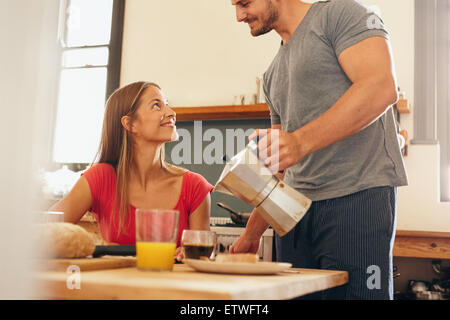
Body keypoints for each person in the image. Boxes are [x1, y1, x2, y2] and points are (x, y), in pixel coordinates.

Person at [229, 0, 408, 300]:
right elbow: (280, 166)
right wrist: (252, 233)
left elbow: (381, 86)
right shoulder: (272, 76)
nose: (238, 16)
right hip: (295, 215)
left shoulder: (342, 14)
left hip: (357, 200)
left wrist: (299, 142)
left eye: (244, 3)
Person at [50, 81, 213, 260]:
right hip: (114, 286)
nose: (171, 113)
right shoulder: (100, 178)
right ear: (130, 124)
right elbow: (47, 229)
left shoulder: (195, 186)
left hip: (172, 286)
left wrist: (187, 255)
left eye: (167, 104)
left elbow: (201, 261)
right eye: (157, 105)